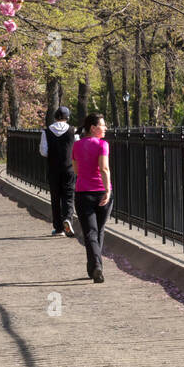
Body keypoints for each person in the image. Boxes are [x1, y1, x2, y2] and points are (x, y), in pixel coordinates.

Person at [72, 114, 112, 283]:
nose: (105, 128)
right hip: (101, 192)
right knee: (99, 231)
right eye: (103, 125)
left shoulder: (76, 145)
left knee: (90, 232)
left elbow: (76, 170)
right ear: (93, 128)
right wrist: (107, 190)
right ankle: (96, 266)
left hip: (83, 192)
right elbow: (104, 168)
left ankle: (95, 266)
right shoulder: (103, 145)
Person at [40, 106, 78, 237]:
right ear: (67, 117)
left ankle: (58, 227)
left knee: (55, 197)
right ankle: (68, 218)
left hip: (53, 168)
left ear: (55, 117)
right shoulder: (73, 131)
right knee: (68, 195)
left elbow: (43, 151)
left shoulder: (46, 132)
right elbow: (77, 149)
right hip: (69, 168)